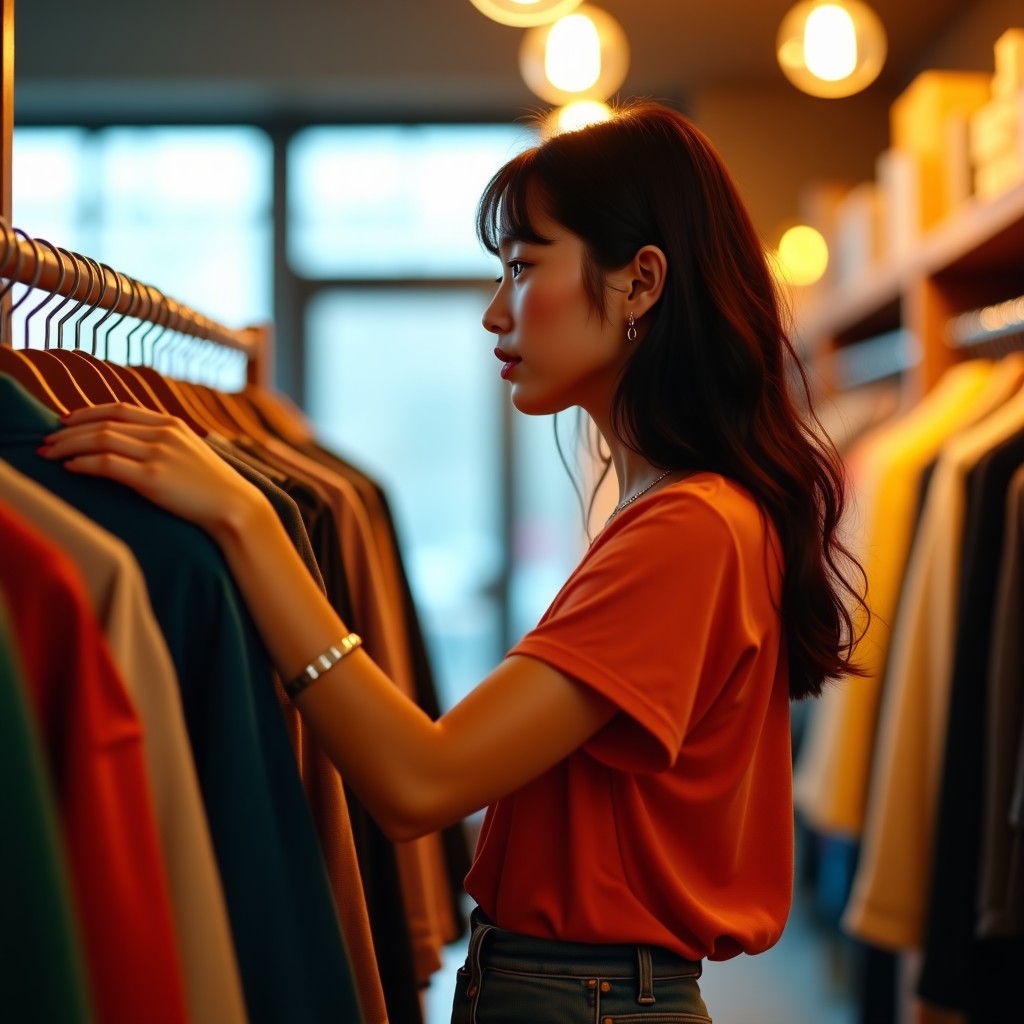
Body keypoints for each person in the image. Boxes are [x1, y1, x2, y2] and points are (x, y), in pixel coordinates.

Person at [39, 100, 866, 1023]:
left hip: (586, 1000)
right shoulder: (676, 516)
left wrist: (248, 520)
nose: (495, 312)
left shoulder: (693, 530)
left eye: (522, 266)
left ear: (641, 282)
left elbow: (420, 783)